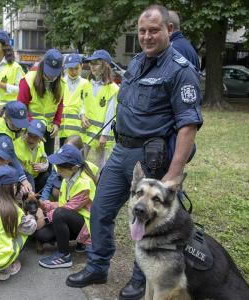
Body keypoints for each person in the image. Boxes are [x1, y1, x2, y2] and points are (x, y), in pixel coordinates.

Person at [66, 5, 203, 300]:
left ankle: (140, 282)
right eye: (142, 31)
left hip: (151, 157)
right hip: (120, 150)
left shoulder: (181, 70)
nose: (147, 36)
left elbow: (188, 125)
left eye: (154, 30)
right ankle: (98, 265)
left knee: (148, 222)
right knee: (101, 208)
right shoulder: (138, 62)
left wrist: (174, 173)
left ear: (169, 29)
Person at [36, 144, 97, 269]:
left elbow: (67, 209)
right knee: (42, 235)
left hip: (87, 225)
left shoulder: (84, 184)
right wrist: (45, 205)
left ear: (74, 168)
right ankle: (79, 243)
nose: (58, 171)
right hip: (73, 220)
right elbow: (64, 204)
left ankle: (64, 255)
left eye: (61, 169)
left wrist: (46, 219)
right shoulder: (67, 178)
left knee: (59, 214)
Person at [18, 49, 65, 156]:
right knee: (28, 160)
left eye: (55, 74)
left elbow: (59, 105)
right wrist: (30, 126)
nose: (51, 77)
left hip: (48, 131)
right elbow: (21, 107)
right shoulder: (28, 80)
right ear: (42, 65)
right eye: (49, 73)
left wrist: (56, 123)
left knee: (46, 162)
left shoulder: (61, 84)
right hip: (30, 129)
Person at [0, 100, 32, 194]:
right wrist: (23, 179)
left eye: (20, 124)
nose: (18, 128)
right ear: (6, 118)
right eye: (14, 124)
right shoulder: (1, 130)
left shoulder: (7, 108)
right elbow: (11, 155)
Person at [80, 50, 119, 169]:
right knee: (81, 162)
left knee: (99, 165)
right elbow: (82, 103)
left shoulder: (112, 88)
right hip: (87, 131)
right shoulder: (86, 84)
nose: (92, 66)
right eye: (91, 63)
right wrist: (82, 115)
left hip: (101, 134)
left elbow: (111, 114)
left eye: (96, 63)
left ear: (105, 66)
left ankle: (99, 186)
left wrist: (104, 135)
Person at [59, 53, 91, 146]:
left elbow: (87, 103)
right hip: (63, 129)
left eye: (76, 68)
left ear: (81, 66)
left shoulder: (86, 84)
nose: (73, 71)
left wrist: (83, 115)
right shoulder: (61, 83)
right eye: (70, 69)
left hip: (78, 130)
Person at [14, 119, 49, 193]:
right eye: (29, 135)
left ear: (41, 138)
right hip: (21, 178)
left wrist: (43, 167)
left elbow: (45, 160)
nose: (31, 140)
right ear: (24, 132)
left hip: (36, 176)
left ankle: (40, 199)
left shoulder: (41, 144)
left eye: (36, 137)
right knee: (29, 179)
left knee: (46, 176)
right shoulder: (16, 145)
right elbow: (17, 169)